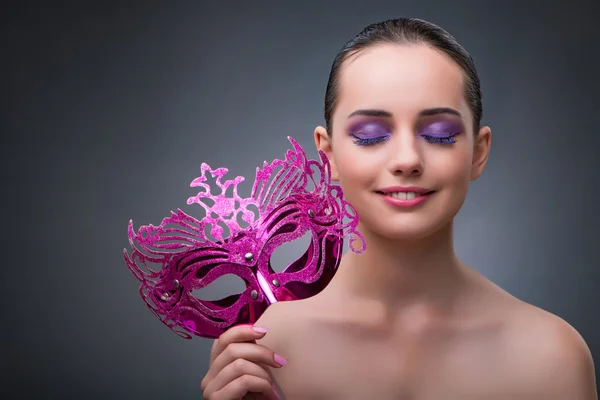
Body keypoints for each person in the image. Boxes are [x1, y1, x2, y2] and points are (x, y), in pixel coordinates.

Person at [200, 17, 597, 399]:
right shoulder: (271, 349)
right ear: (328, 155)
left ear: (479, 151)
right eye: (370, 135)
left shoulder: (549, 356)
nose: (407, 159)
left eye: (439, 135)